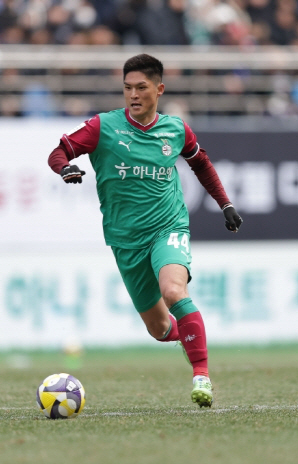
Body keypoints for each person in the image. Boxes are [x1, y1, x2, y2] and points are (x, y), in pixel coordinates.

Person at [47, 54, 243, 407]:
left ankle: (201, 374)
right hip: (125, 240)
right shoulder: (102, 127)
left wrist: (225, 204)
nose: (133, 95)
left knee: (172, 290)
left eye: (141, 88)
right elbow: (59, 152)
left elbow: (202, 164)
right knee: (160, 329)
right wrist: (65, 168)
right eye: (127, 88)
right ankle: (192, 336)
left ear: (159, 89)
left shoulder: (176, 129)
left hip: (168, 226)